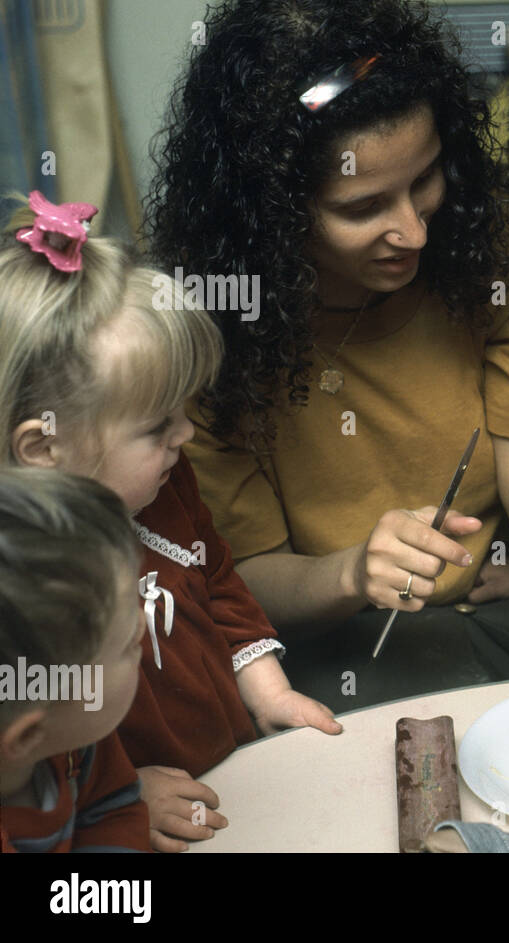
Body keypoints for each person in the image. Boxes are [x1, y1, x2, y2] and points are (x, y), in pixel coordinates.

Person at [145, 0, 509, 705]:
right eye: (364, 208)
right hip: (331, 641)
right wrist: (352, 572)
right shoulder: (207, 329)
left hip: (507, 606)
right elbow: (243, 577)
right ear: (270, 213)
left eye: (425, 180)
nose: (415, 232)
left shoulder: (503, 246)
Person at [2, 194, 341, 852]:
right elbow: (51, 729)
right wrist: (119, 797)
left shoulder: (167, 484)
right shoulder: (31, 590)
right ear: (45, 450)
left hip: (235, 767)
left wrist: (268, 689)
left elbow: (217, 577)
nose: (186, 434)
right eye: (157, 426)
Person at [0, 468, 151, 853]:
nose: (143, 631)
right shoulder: (71, 726)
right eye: (125, 644)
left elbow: (112, 811)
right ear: (29, 736)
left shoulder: (71, 733)